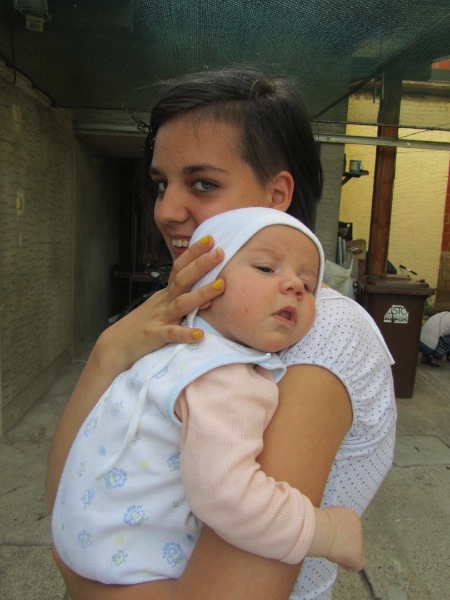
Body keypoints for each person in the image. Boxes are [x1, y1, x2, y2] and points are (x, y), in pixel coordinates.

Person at [46, 66, 397, 600]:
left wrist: (80, 579)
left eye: (203, 184)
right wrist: (108, 353)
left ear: (276, 195)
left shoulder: (319, 333)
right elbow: (70, 498)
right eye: (161, 184)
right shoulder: (203, 311)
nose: (167, 211)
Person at [51, 206, 366, 585]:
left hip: (80, 535)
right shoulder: (225, 376)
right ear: (207, 286)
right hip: (131, 565)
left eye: (308, 283)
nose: (295, 286)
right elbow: (229, 497)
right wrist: (325, 531)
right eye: (266, 268)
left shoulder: (169, 348)